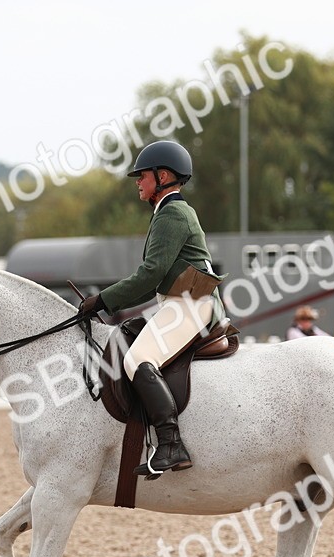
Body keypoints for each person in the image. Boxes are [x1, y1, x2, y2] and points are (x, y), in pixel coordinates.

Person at [78, 140, 223, 478]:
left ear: (162, 176)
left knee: (137, 360)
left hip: (191, 304)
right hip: (179, 302)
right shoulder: (168, 211)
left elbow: (152, 273)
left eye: (141, 176)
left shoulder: (172, 212)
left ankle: (171, 444)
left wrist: (102, 300)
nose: (137, 182)